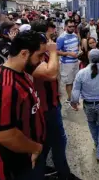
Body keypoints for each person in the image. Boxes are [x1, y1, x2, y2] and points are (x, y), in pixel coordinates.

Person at [0, 31, 47, 180]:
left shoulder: (20, 73)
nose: (42, 61)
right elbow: (6, 136)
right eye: (40, 55)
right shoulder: (3, 88)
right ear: (24, 53)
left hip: (29, 155)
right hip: (17, 165)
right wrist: (36, 148)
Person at [30, 20, 78, 180]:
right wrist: (54, 51)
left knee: (49, 142)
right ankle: (62, 173)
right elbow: (50, 74)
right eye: (49, 36)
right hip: (45, 107)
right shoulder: (34, 56)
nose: (51, 40)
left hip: (51, 104)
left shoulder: (43, 54)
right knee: (56, 142)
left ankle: (52, 170)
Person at [57, 19, 80, 104]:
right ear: (66, 26)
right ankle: (70, 99)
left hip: (76, 62)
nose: (72, 28)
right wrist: (68, 53)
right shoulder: (61, 38)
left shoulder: (75, 35)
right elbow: (56, 51)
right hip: (67, 64)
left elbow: (77, 46)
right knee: (69, 82)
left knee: (75, 81)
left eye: (73, 26)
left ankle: (74, 97)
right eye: (70, 26)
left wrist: (79, 52)